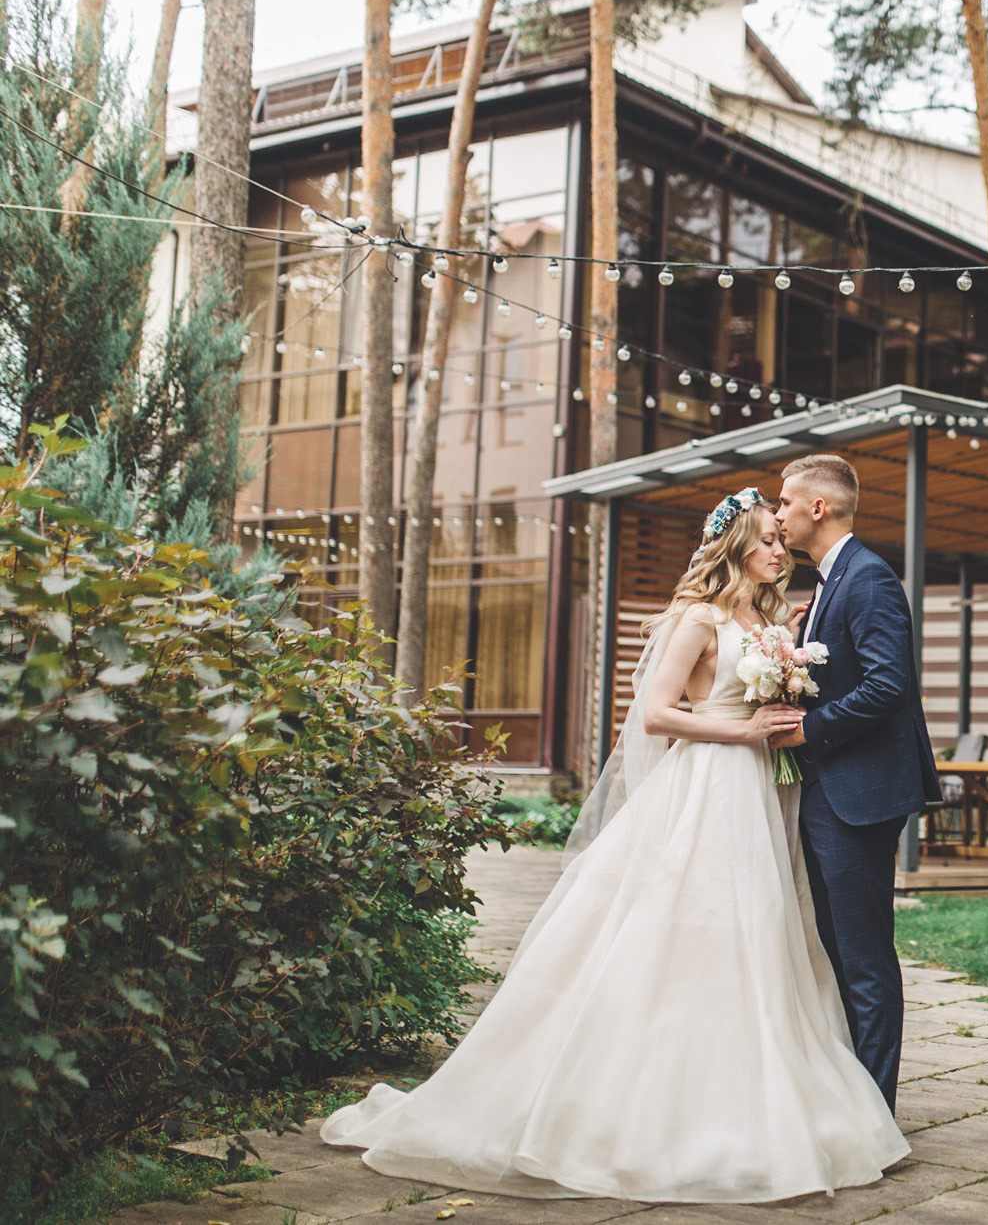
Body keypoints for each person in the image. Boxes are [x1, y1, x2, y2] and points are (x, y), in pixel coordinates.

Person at [319, 488, 909, 1202]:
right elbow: (659, 714)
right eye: (765, 541)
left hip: (762, 792)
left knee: (765, 936)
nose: (779, 549)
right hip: (711, 788)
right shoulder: (695, 618)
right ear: (733, 550)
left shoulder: (768, 616)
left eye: (780, 540)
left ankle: (742, 1090)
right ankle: (643, 1103)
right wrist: (743, 730)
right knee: (692, 934)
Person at [772, 455, 943, 1110]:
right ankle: (849, 1097)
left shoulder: (867, 578)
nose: (778, 513)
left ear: (820, 507)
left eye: (787, 501)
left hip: (858, 798)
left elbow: (887, 686)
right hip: (830, 793)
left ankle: (874, 1111)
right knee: (837, 954)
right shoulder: (828, 583)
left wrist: (805, 733)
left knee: (863, 957)